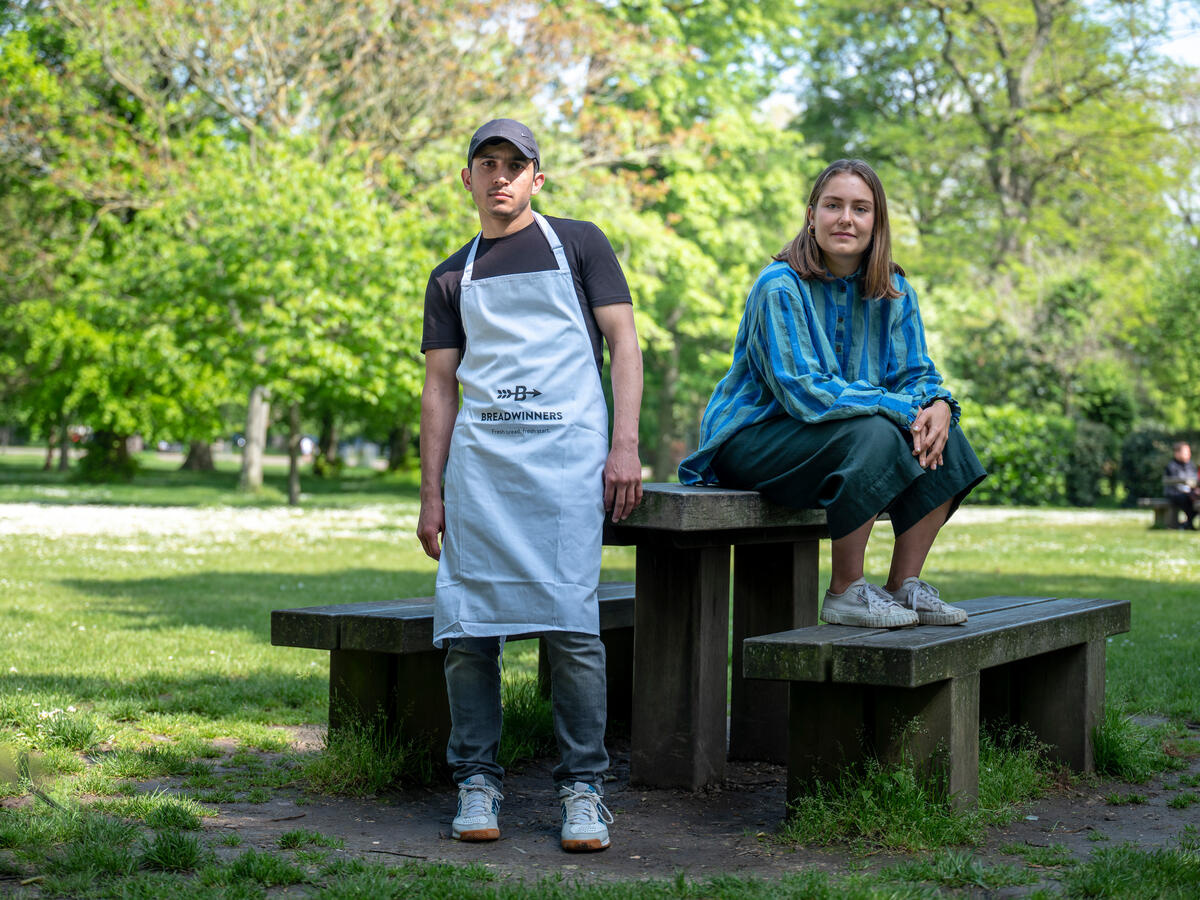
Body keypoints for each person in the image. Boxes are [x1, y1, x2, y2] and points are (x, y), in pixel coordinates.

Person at [417, 119, 643, 852]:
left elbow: (625, 344)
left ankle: (584, 789)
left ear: (538, 178)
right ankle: (476, 780)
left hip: (566, 466)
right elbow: (439, 390)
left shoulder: (579, 245)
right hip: (482, 474)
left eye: (516, 165)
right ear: (469, 179)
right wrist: (431, 494)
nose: (501, 176)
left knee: (573, 626)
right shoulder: (452, 275)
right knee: (468, 632)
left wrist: (626, 447)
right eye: (488, 163)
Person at [678, 159, 986, 628]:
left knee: (948, 437)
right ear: (811, 215)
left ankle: (903, 587)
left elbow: (915, 372)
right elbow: (804, 392)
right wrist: (898, 407)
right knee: (878, 433)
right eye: (833, 205)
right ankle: (846, 591)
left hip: (835, 440)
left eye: (861, 209)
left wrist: (938, 405)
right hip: (755, 438)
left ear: (876, 223)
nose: (846, 218)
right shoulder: (779, 286)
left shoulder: (895, 291)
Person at [1164, 441, 1198, 530]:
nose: (1188, 454)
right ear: (1177, 453)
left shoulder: (1191, 465)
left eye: (1189, 452)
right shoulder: (1172, 466)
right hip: (1175, 493)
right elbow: (1175, 485)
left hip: (1191, 493)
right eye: (1186, 452)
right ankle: (1187, 524)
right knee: (1188, 501)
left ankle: (1187, 524)